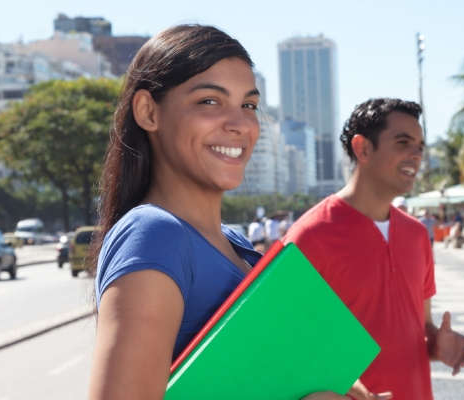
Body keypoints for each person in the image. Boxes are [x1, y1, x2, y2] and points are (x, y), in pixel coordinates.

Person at [88, 24, 342, 400]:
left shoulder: (234, 242)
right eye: (210, 101)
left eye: (249, 105)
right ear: (148, 112)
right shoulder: (153, 234)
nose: (240, 124)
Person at [285, 98, 464, 400]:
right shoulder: (309, 236)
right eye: (403, 142)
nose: (416, 156)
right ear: (362, 148)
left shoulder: (416, 235)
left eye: (420, 147)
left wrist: (436, 345)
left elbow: (420, 325)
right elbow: (288, 347)